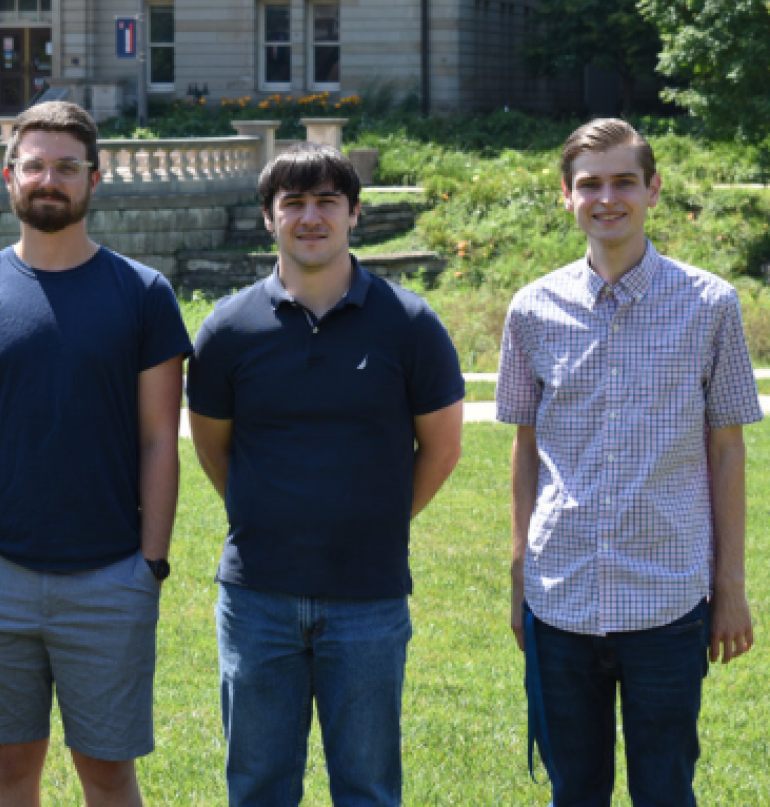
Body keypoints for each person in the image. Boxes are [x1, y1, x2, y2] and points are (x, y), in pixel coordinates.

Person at [0, 101, 190, 807]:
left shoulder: (143, 294)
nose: (49, 179)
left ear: (95, 180)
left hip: (109, 577)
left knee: (107, 773)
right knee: (10, 771)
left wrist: (150, 563)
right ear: (8, 178)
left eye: (67, 167)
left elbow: (161, 438)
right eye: (34, 165)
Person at [187, 143, 464, 807]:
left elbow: (442, 449)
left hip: (368, 597)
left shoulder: (410, 324)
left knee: (367, 788)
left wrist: (378, 519)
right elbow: (212, 448)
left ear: (354, 214)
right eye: (294, 204)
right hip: (258, 597)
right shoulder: (228, 330)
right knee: (257, 786)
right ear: (268, 217)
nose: (310, 217)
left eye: (326, 202)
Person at [498, 118, 760, 806]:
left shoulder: (710, 306)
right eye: (590, 184)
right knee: (574, 792)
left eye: (623, 182)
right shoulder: (531, 310)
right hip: (561, 598)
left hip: (669, 599)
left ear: (653, 191)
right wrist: (520, 576)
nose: (606, 198)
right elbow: (526, 451)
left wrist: (729, 585)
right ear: (565, 195)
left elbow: (728, 450)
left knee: (665, 790)